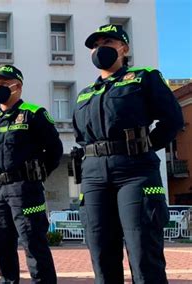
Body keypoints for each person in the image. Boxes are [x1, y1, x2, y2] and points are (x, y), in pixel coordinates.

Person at [73, 24, 184, 283]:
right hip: (93, 175)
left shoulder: (144, 77)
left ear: (124, 48)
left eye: (109, 43)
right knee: (101, 252)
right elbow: (81, 137)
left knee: (142, 250)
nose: (101, 49)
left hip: (134, 172)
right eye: (97, 45)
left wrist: (143, 146)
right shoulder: (84, 94)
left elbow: (173, 120)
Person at [0, 65, 62, 283]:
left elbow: (55, 150)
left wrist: (36, 174)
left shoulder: (34, 114)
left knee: (33, 245)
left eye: (2, 83)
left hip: (25, 189)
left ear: (17, 86)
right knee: (3, 247)